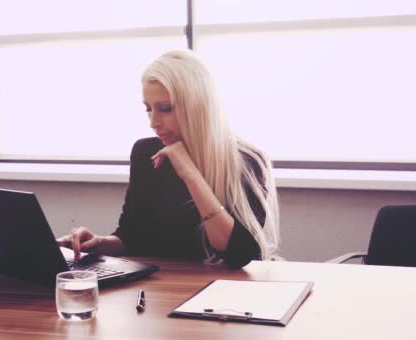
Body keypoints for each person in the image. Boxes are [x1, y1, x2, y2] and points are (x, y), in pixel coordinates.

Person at [57, 50, 280, 268]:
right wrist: (99, 244)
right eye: (148, 109)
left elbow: (239, 256)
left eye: (165, 109)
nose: (153, 122)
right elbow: (131, 238)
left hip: (225, 293)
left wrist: (190, 173)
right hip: (162, 290)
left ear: (198, 108)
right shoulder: (146, 153)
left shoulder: (248, 161)